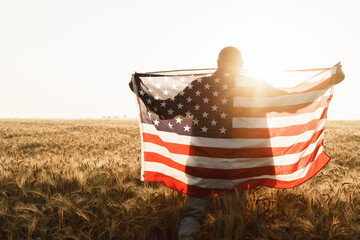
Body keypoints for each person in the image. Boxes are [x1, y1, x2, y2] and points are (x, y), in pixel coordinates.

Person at [129, 46, 345, 240]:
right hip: (240, 170)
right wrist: (328, 81)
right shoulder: (254, 87)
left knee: (194, 216)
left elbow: (165, 110)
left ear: (218, 63)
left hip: (202, 167)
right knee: (230, 222)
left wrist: (140, 91)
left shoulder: (200, 86)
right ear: (241, 65)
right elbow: (290, 102)